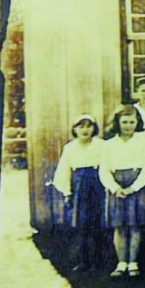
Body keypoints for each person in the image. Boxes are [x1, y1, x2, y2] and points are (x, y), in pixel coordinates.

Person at [99, 106, 145, 277]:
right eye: (124, 122)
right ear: (118, 123)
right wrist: (115, 188)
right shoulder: (109, 144)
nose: (128, 126)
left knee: (134, 225)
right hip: (117, 186)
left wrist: (134, 187)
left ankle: (133, 263)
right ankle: (121, 263)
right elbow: (104, 170)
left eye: (131, 122)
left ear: (137, 122)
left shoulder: (143, 141)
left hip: (136, 184)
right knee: (119, 226)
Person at [52, 114, 105, 272]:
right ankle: (83, 260)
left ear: (94, 129)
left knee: (97, 222)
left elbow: (107, 166)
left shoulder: (101, 145)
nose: (85, 130)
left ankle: (99, 260)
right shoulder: (70, 148)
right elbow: (64, 171)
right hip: (79, 187)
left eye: (88, 126)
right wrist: (68, 191)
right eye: (81, 126)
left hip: (97, 184)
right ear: (75, 129)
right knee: (81, 224)